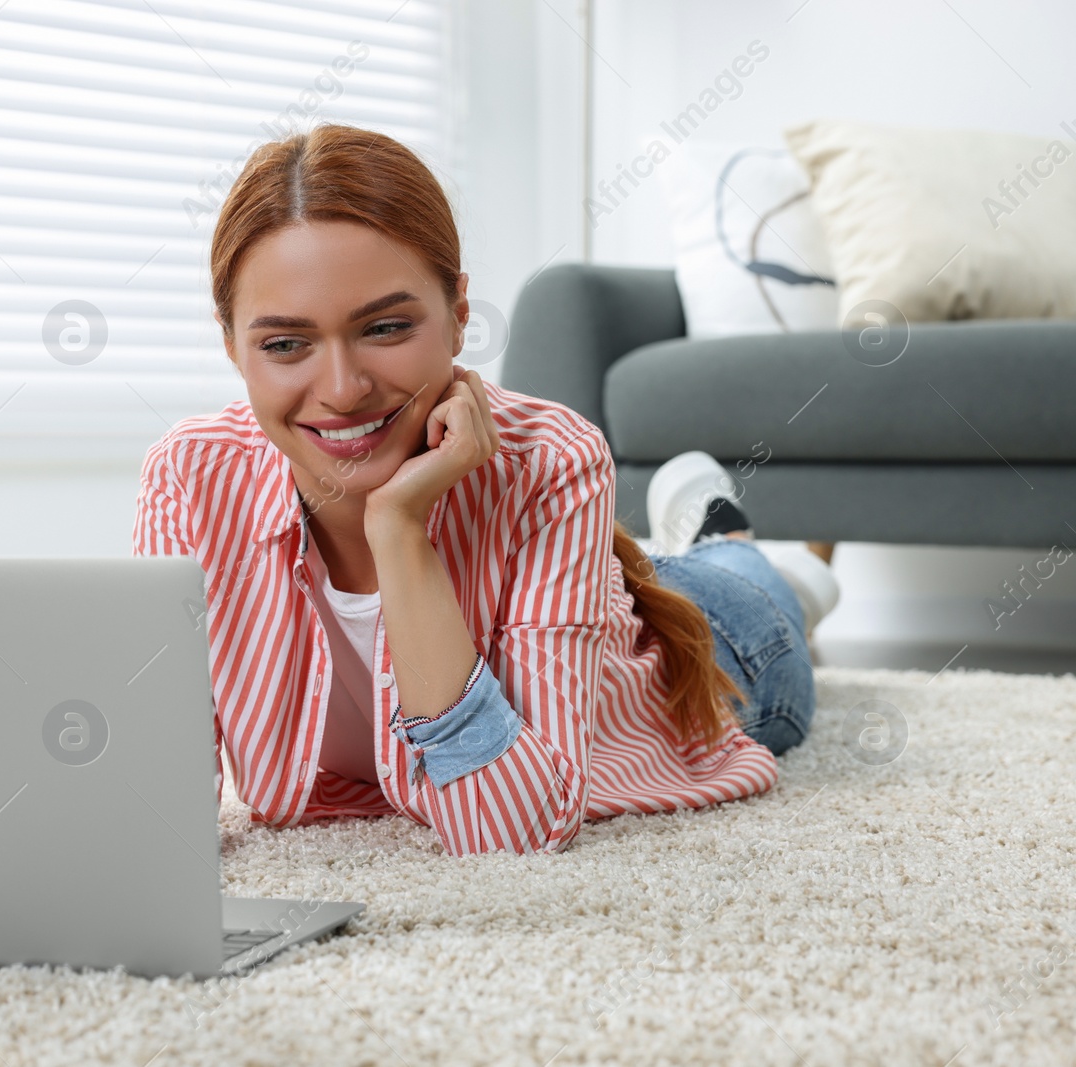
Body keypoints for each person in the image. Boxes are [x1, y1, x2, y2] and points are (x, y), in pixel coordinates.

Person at [132, 124, 839, 856]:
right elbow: (154, 794)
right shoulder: (191, 476)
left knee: (740, 589)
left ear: (460, 313)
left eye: (385, 327)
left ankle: (737, 544)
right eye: (285, 343)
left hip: (716, 645)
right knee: (654, 565)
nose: (341, 390)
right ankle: (686, 540)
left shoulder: (553, 457)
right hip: (590, 587)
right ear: (230, 343)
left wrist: (400, 528)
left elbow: (516, 831)